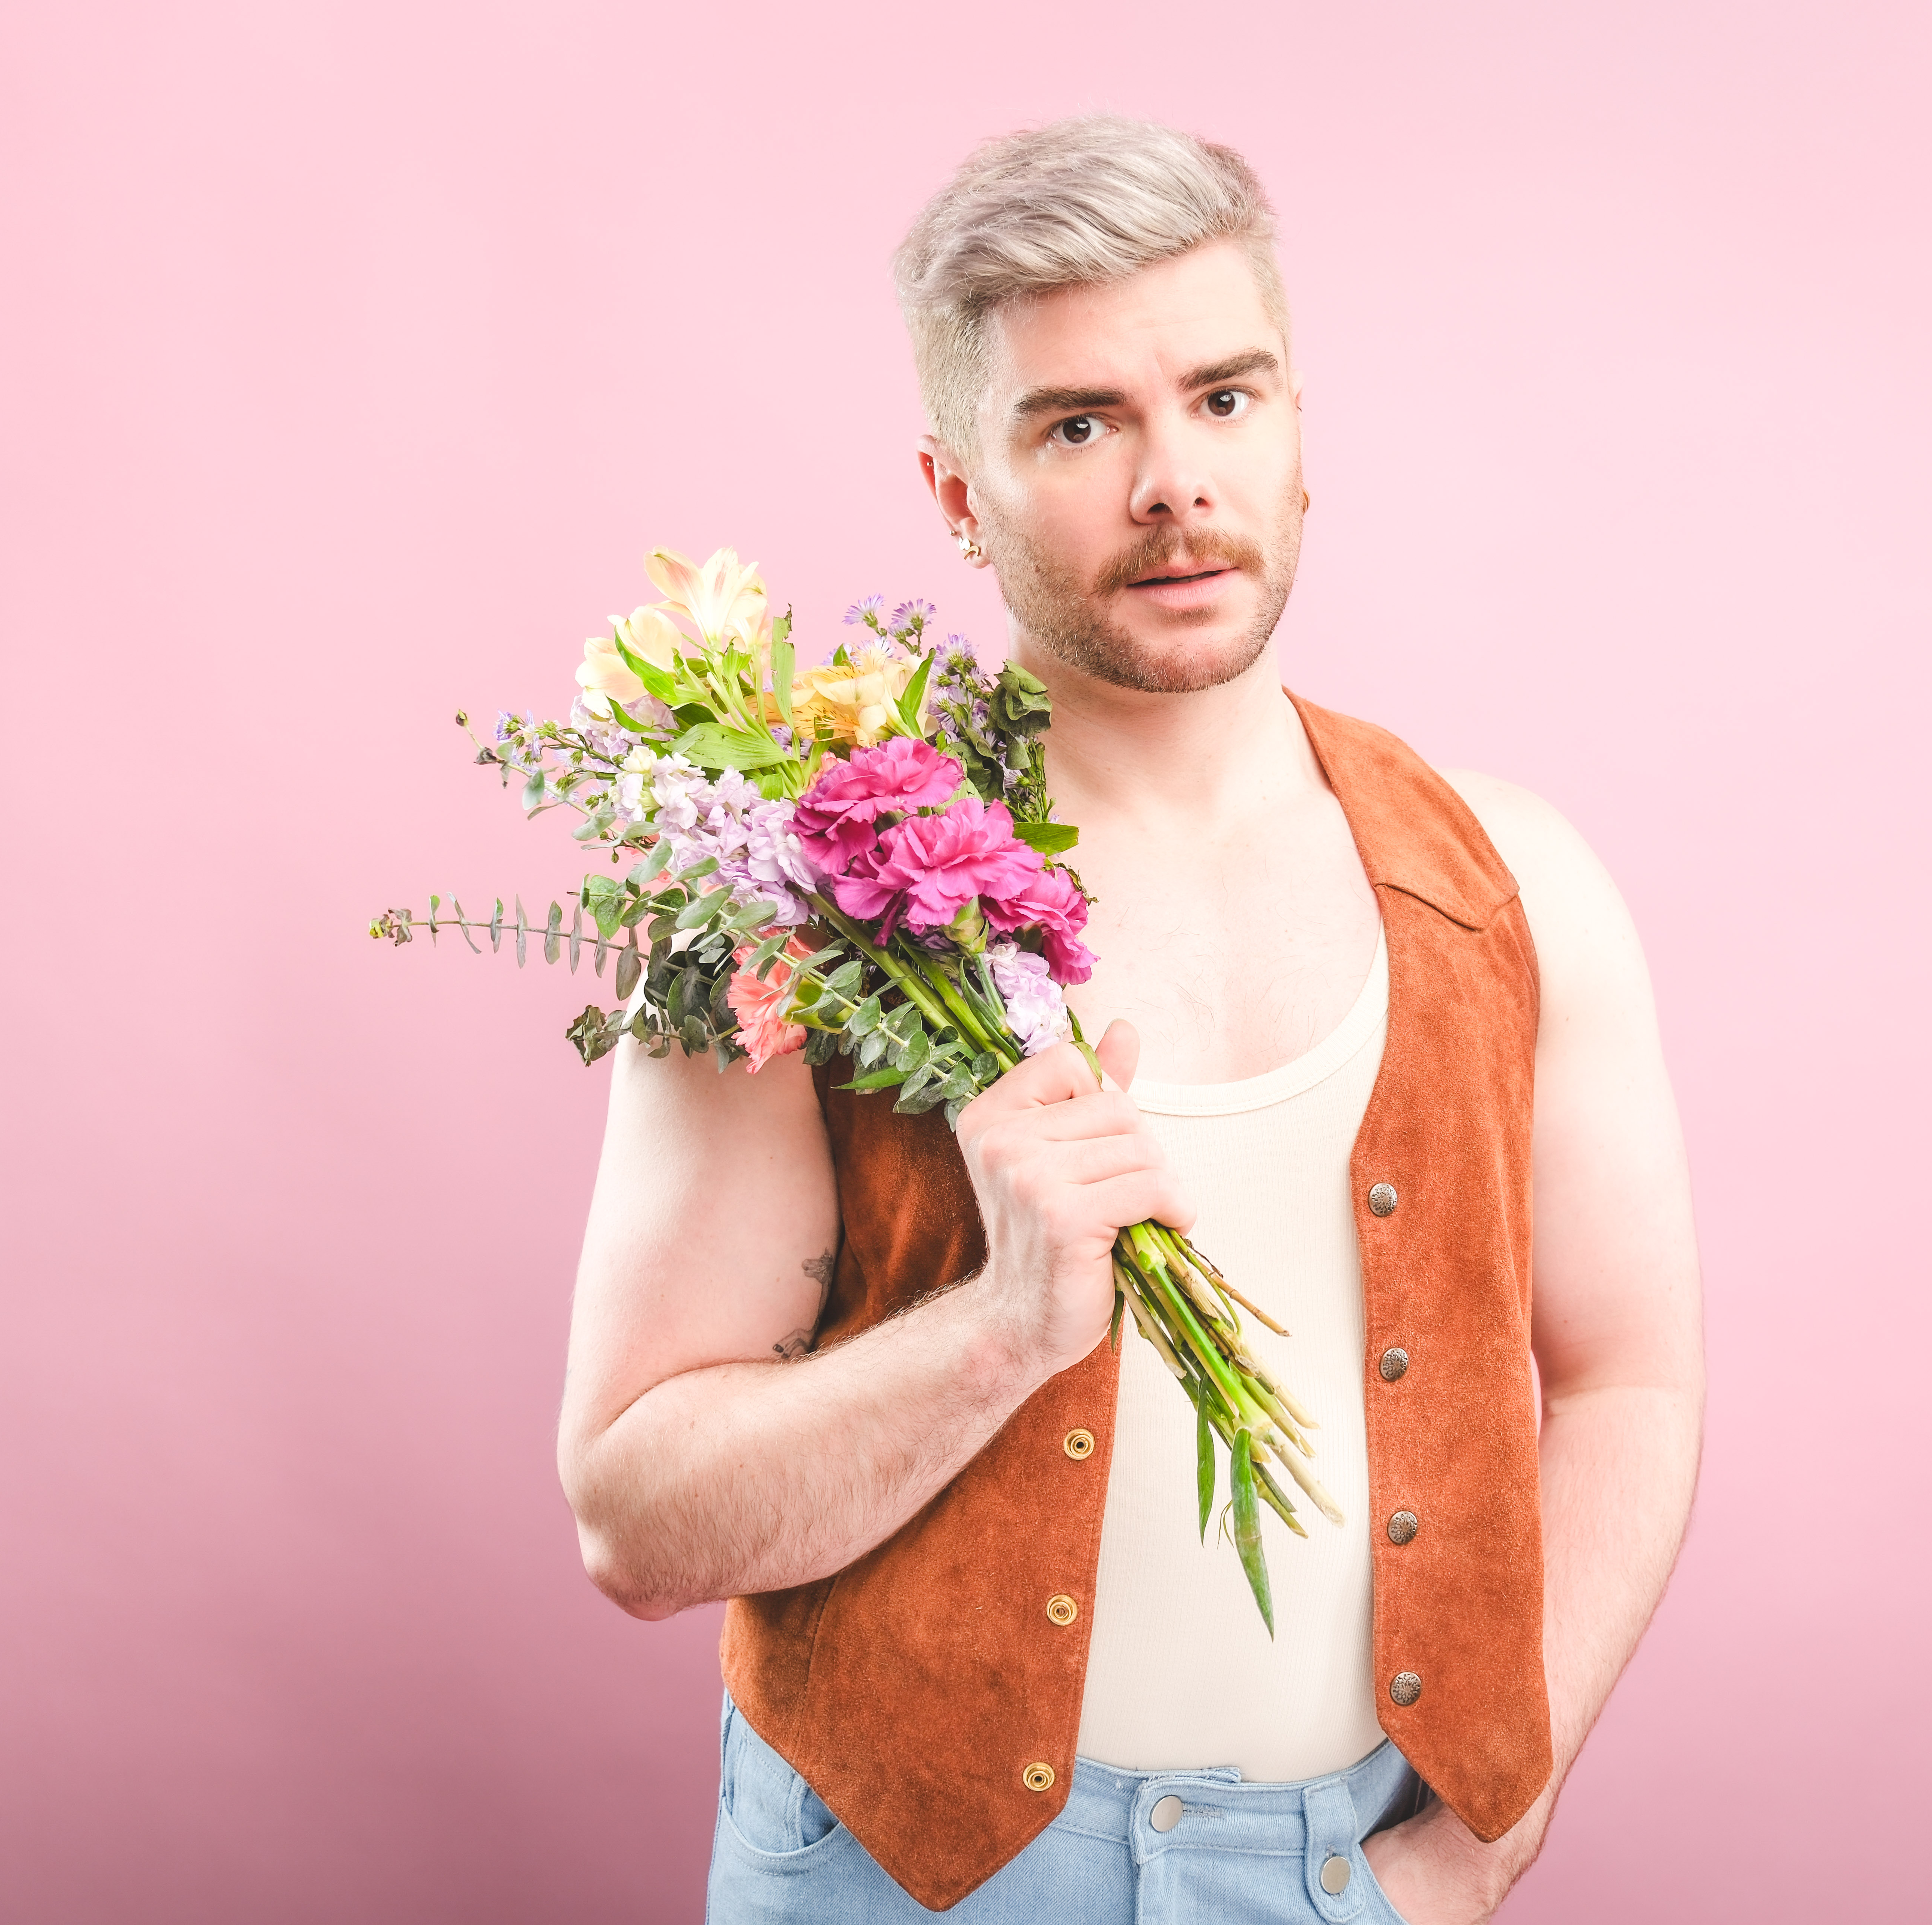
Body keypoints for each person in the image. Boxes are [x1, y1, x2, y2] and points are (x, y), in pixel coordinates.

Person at [557, 115, 1704, 1924]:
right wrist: (998, 1330)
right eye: (1079, 426)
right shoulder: (790, 910)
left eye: (1224, 399)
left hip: (1347, 1873)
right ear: (958, 492)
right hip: (898, 1881)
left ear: (1300, 435)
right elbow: (634, 1517)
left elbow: (1632, 1382)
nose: (1173, 482)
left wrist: (1488, 1833)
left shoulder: (1515, 887)